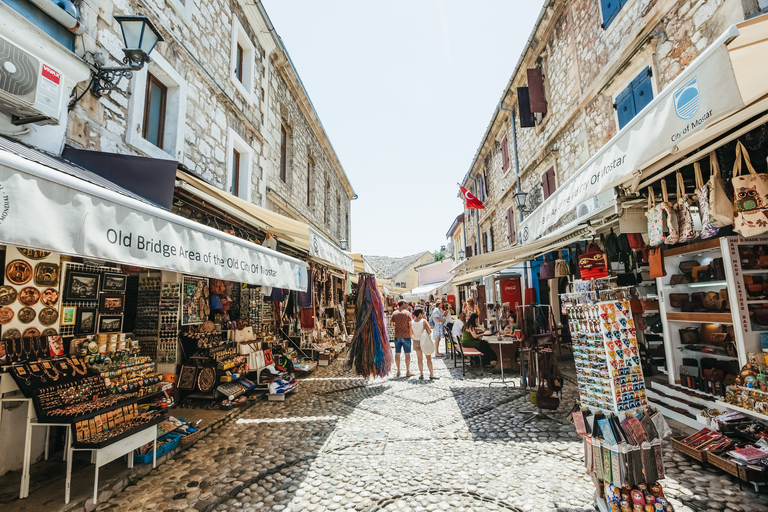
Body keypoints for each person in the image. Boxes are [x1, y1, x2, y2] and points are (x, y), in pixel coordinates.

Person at [390, 300, 414, 378]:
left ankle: (398, 371)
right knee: (407, 354)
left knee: (397, 353)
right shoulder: (407, 313)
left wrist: (398, 326)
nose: (407, 304)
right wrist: (411, 335)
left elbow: (391, 325)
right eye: (406, 303)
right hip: (406, 336)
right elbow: (410, 325)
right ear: (403, 304)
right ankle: (407, 371)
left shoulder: (394, 313)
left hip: (397, 335)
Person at [410, 308, 435, 380]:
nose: (423, 314)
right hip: (424, 341)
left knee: (419, 358)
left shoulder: (412, 322)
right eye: (422, 313)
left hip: (416, 341)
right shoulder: (423, 321)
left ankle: (421, 374)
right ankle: (431, 374)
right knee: (428, 358)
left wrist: (414, 339)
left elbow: (411, 334)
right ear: (420, 314)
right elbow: (429, 331)